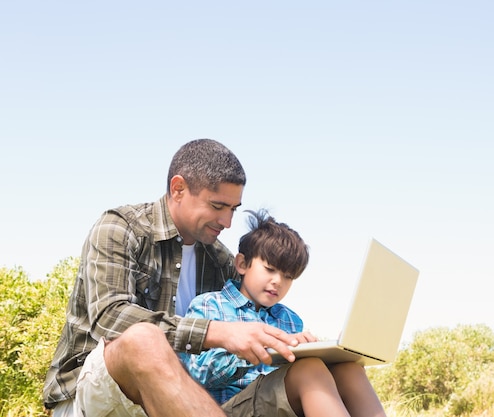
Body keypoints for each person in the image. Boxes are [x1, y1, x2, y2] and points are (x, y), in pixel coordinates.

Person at [43, 139, 301, 417]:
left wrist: (292, 345)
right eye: (217, 206)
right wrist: (217, 332)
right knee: (144, 338)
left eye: (233, 210)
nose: (227, 222)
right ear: (178, 189)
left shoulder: (222, 262)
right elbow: (109, 318)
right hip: (99, 392)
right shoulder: (121, 228)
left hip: (190, 399)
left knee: (312, 371)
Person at [180, 209, 387, 417]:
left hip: (277, 405)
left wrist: (327, 353)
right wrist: (260, 347)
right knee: (309, 370)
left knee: (348, 369)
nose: (278, 281)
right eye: (269, 269)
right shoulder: (210, 304)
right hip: (226, 409)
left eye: (288, 277)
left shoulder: (289, 319)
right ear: (242, 264)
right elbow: (196, 374)